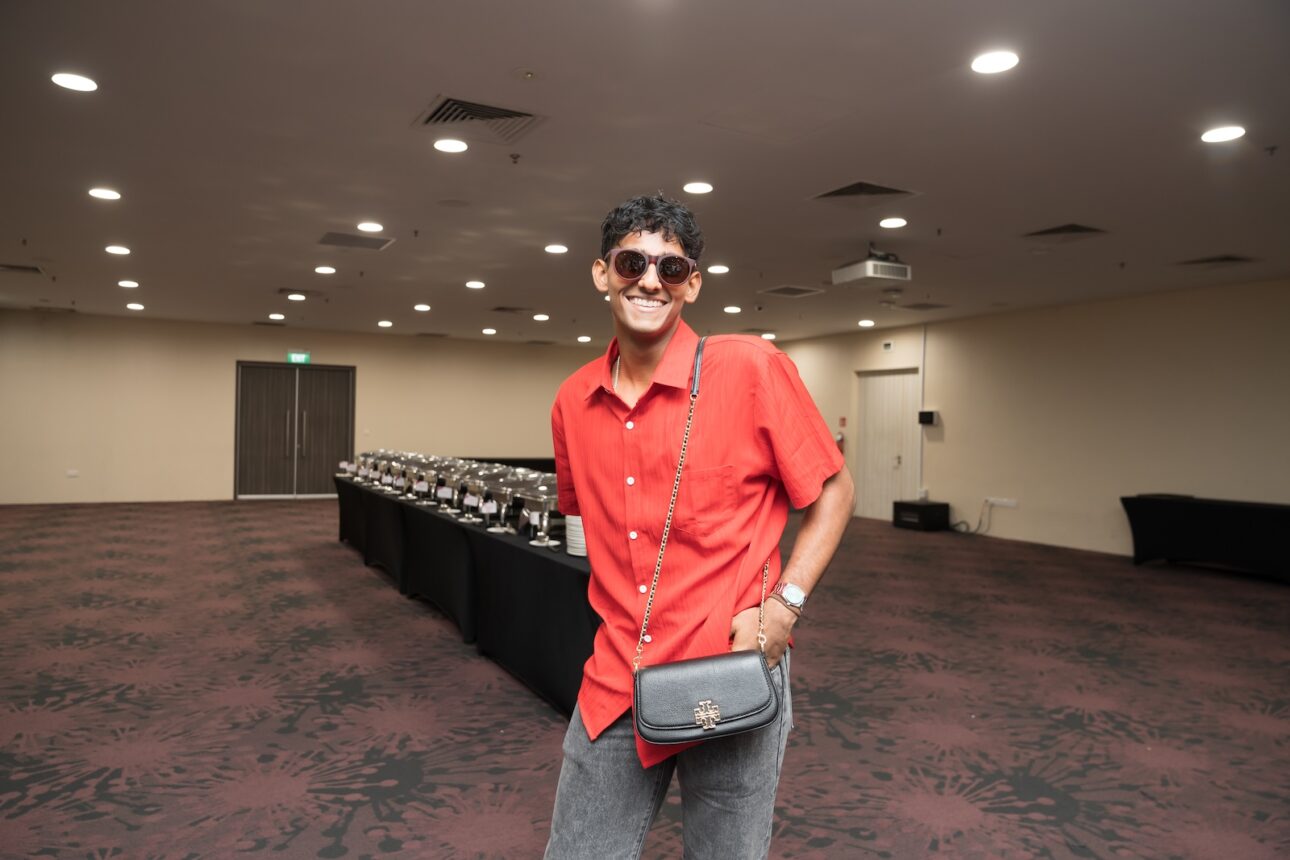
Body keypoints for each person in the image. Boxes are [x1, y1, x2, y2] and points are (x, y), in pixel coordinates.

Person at [545, 193, 854, 859]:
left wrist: (784, 606)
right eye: (632, 262)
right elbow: (591, 525)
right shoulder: (573, 401)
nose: (650, 281)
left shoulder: (749, 368)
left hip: (732, 669)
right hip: (617, 679)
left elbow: (835, 491)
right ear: (602, 273)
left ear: (692, 284)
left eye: (672, 268)